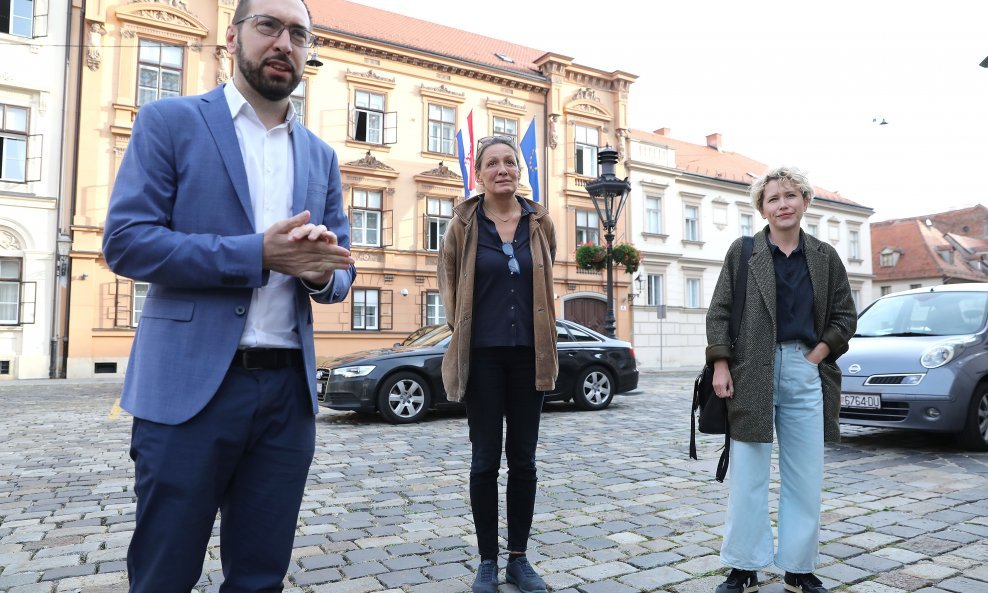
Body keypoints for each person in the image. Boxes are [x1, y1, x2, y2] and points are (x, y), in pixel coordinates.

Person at [101, 0, 356, 590]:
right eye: (268, 26)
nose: (283, 43)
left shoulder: (320, 155)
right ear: (234, 35)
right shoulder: (170, 121)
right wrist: (257, 255)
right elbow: (127, 242)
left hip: (287, 397)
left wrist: (318, 271)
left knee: (260, 577)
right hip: (188, 393)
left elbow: (342, 271)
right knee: (164, 573)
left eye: (298, 33)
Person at [706, 167, 856, 593]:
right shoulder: (743, 252)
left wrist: (817, 355)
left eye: (791, 195)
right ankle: (744, 565)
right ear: (762, 208)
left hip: (804, 369)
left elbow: (845, 316)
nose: (783, 204)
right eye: (773, 198)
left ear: (805, 202)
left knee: (804, 474)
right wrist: (720, 364)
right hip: (750, 370)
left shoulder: (824, 256)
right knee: (749, 474)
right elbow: (718, 311)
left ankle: (798, 567)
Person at [438, 136, 557, 593]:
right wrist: (464, 328)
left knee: (523, 460)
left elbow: (545, 282)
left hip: (531, 356)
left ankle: (519, 560)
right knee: (485, 460)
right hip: (482, 357)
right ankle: (487, 560)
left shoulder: (540, 221)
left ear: (518, 170)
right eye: (493, 163)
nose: (503, 168)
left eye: (510, 161)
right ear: (480, 173)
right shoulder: (463, 224)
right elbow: (447, 280)